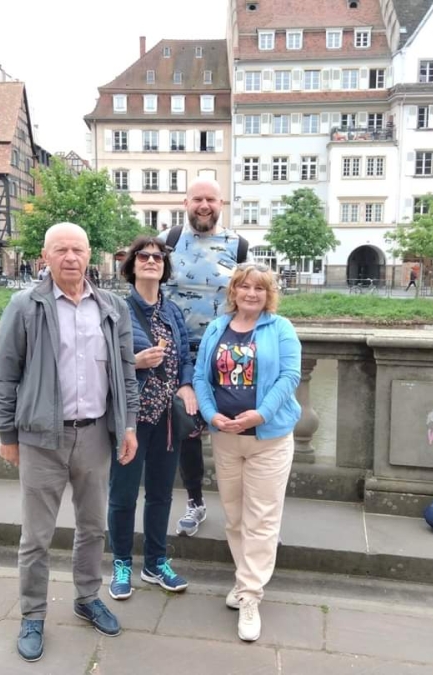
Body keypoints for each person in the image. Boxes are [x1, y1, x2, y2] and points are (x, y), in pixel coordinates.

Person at [0, 222, 139, 663]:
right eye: (61, 250)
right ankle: (33, 614)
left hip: (95, 435)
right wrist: (7, 433)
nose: (70, 257)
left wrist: (128, 426)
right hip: (41, 438)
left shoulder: (111, 307)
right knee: (36, 535)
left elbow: (126, 372)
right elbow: (3, 374)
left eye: (78, 249)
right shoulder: (25, 306)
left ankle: (87, 597)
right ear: (45, 256)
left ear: (89, 255)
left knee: (93, 527)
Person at [193, 262, 301, 642]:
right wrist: (210, 414)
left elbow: (290, 376)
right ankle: (244, 581)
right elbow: (200, 377)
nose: (251, 293)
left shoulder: (281, 328)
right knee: (235, 516)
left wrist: (261, 413)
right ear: (234, 291)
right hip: (226, 438)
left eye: (259, 288)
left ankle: (251, 595)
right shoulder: (216, 328)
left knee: (262, 518)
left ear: (268, 294)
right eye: (245, 287)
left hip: (268, 439)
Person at [107, 236, 196, 601]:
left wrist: (186, 385)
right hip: (133, 417)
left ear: (164, 268)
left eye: (158, 257)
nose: (151, 261)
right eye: (143, 256)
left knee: (160, 494)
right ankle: (121, 564)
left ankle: (156, 562)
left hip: (167, 418)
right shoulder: (116, 309)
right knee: (123, 494)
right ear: (131, 266)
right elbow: (100, 357)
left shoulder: (172, 311)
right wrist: (134, 362)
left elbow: (186, 355)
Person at [162, 177, 250, 538]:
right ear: (185, 203)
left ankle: (246, 511)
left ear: (221, 204)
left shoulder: (238, 246)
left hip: (226, 356)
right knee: (187, 432)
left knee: (238, 431)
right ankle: (195, 502)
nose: (204, 205)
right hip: (180, 355)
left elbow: (249, 297)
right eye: (197, 199)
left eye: (211, 199)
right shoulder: (167, 242)